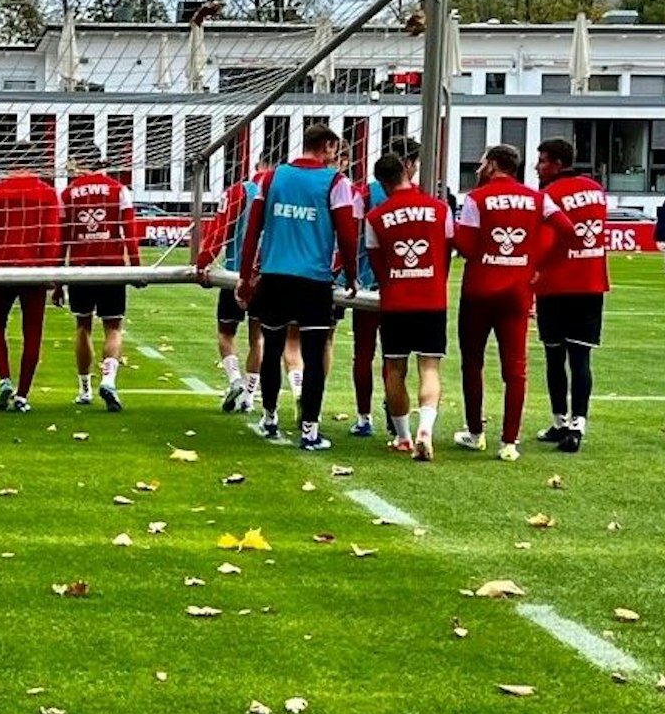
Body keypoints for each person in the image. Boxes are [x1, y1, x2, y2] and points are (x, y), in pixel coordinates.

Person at [235, 123, 360, 451]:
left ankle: (270, 416)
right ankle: (309, 430)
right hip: (314, 280)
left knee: (272, 347)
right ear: (329, 146)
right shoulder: (336, 182)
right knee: (314, 355)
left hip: (275, 276)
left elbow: (253, 231)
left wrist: (246, 276)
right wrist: (353, 273)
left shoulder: (271, 178)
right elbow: (348, 234)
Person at [451, 144, 573, 461]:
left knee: (472, 363)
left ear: (492, 164)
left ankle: (476, 433)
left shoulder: (476, 198)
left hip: (479, 291)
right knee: (515, 369)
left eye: (482, 163)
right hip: (517, 292)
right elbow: (567, 231)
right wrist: (537, 266)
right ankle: (509, 442)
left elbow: (464, 246)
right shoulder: (538, 198)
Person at [363, 151, 453, 461]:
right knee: (429, 367)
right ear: (407, 172)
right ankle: (425, 430)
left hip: (396, 302)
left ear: (382, 182)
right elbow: (446, 254)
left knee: (394, 370)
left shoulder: (375, 217)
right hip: (431, 298)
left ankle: (402, 437)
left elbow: (378, 265)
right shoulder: (441, 209)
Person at [0, 140, 60, 413]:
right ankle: (23, 395)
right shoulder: (48, 194)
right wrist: (53, 273)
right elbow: (53, 237)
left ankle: (4, 377)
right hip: (35, 271)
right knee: (33, 334)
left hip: (2, 267)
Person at [532, 137, 609, 453]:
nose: (538, 167)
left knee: (554, 355)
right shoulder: (596, 189)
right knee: (581, 357)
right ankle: (578, 424)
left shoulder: (550, 195)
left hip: (557, 285)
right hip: (591, 283)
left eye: (543, 160)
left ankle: (561, 422)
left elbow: (546, 241)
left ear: (558, 164)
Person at [58, 148, 139, 411]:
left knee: (83, 326)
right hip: (112, 268)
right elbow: (129, 232)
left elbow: (62, 240)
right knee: (113, 327)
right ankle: (109, 379)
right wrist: (136, 268)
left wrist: (58, 278)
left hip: (80, 270)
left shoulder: (68, 193)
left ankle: (84, 389)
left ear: (79, 162)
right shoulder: (118, 190)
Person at [196, 165, 269, 414]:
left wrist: (204, 260)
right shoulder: (280, 191)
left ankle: (235, 379)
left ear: (258, 166)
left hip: (234, 275)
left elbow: (220, 230)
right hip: (265, 277)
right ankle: (249, 396)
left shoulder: (240, 190)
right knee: (257, 338)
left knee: (226, 333)